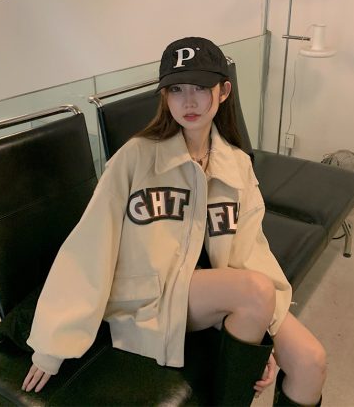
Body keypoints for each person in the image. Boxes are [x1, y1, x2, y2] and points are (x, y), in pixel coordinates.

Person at [22, 37, 326, 406]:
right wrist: (52, 346)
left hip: (213, 293)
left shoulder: (236, 166)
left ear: (224, 91)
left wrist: (263, 332)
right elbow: (90, 245)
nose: (189, 101)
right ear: (165, 96)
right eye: (177, 89)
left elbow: (251, 251)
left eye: (200, 87)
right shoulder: (135, 158)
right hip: (148, 295)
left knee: (311, 361)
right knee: (253, 291)